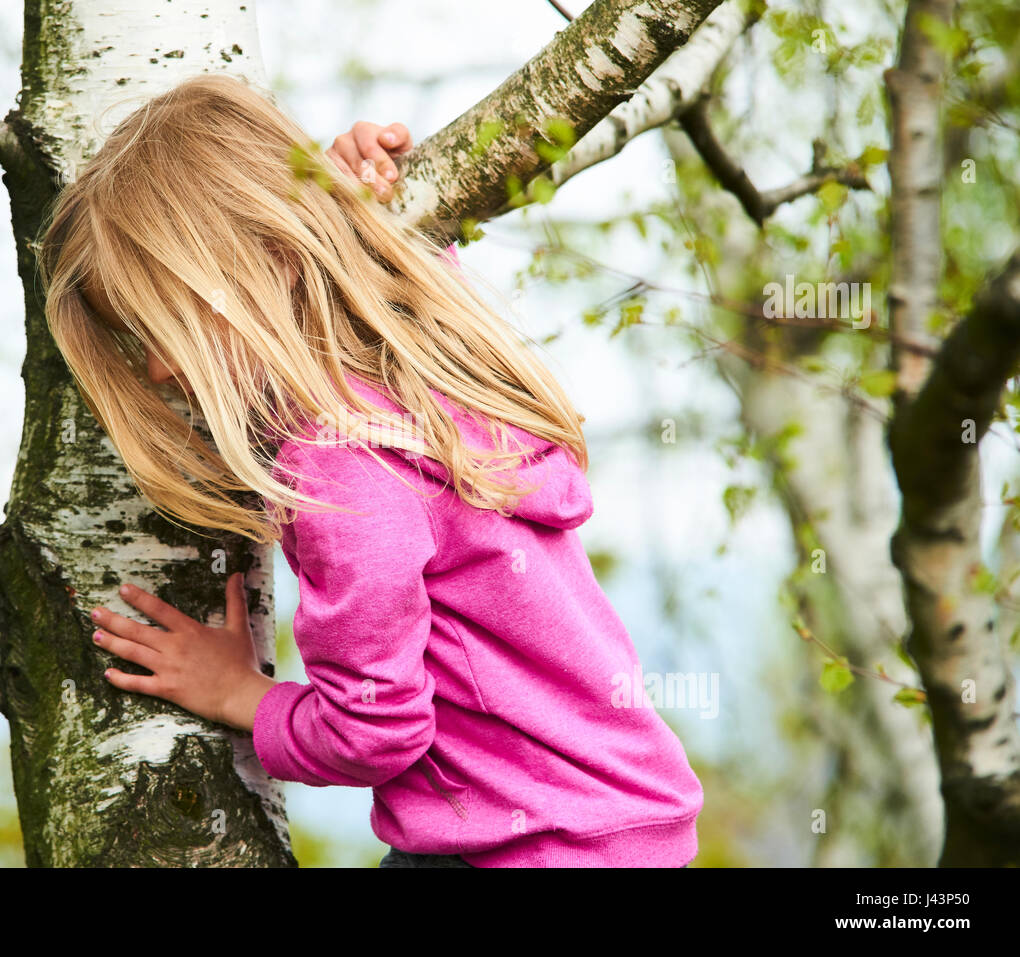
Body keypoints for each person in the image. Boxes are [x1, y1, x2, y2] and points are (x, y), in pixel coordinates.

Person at [36, 73, 703, 868]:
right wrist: (344, 200)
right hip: (621, 823)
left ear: (261, 261)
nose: (153, 371)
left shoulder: (337, 463)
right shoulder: (428, 365)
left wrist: (237, 694)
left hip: (523, 847)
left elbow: (374, 731)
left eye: (162, 327)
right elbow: (379, 270)